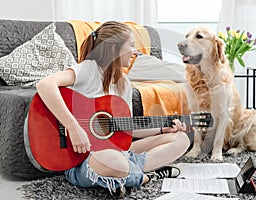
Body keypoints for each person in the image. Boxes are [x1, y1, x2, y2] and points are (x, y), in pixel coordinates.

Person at [36, 21, 190, 197]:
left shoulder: (124, 84)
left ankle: (121, 174)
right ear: (114, 49)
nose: (135, 51)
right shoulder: (89, 70)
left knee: (181, 139)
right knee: (112, 159)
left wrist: (163, 128)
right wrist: (73, 127)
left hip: (118, 153)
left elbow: (127, 128)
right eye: (131, 46)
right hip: (83, 161)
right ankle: (144, 177)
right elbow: (45, 84)